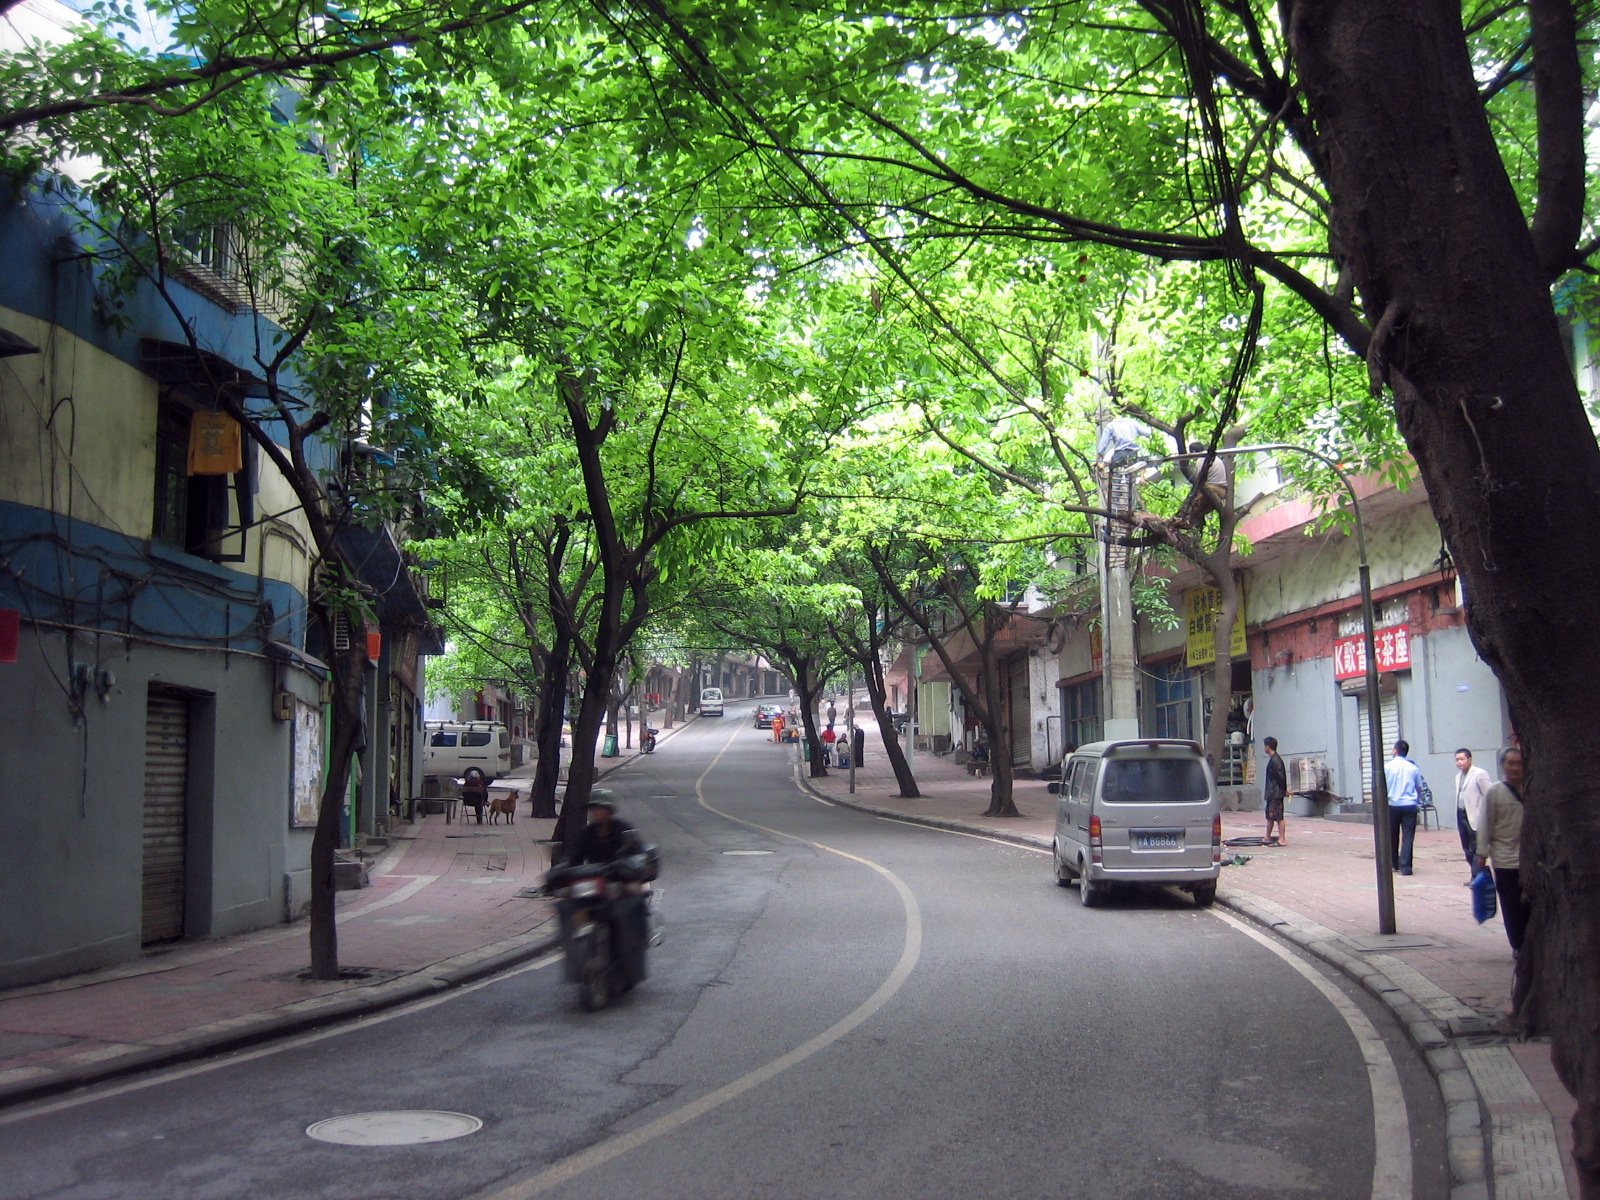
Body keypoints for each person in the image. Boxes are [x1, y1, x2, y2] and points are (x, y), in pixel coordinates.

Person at [1476, 746, 1528, 955]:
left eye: (1519, 763)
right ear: (1503, 766)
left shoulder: (1533, 789)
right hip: (1506, 860)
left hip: (1531, 859)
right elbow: (1485, 823)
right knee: (1512, 906)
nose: (1515, 768)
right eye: (1511, 763)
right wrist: (1482, 853)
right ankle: (1518, 945)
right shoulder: (1494, 792)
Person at [1383, 740, 1423, 875]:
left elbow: (1383, 787)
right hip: (1410, 805)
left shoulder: (1387, 767)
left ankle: (1394, 863)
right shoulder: (1413, 768)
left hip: (1393, 805)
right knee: (1408, 836)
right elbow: (1419, 787)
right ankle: (1406, 867)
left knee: (1392, 835)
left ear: (1395, 751)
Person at [1454, 748, 1493, 883]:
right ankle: (1474, 874)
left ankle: (1478, 876)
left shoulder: (1479, 774)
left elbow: (1488, 794)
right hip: (1461, 813)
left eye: (1462, 759)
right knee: (1466, 848)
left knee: (1475, 847)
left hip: (1475, 816)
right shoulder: (1458, 777)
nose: (1459, 762)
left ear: (1469, 760)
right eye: (1457, 760)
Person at [1262, 736, 1288, 846]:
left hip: (1275, 793)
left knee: (1278, 817)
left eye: (1265, 746)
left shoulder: (1275, 760)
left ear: (1268, 746)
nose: (1264, 748)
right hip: (1272, 793)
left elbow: (1280, 777)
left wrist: (1284, 790)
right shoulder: (1273, 759)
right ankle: (1267, 837)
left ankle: (1282, 838)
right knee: (1270, 817)